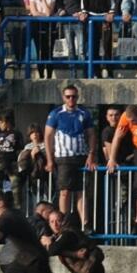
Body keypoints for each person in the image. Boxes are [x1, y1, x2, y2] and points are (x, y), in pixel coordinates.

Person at [44, 85, 96, 229]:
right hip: (63, 157)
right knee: (65, 191)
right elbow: (48, 136)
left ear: (77, 97)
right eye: (68, 96)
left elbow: (91, 134)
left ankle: (85, 223)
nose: (71, 99)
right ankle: (64, 222)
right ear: (63, 97)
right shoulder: (56, 113)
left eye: (73, 96)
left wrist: (91, 155)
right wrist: (49, 159)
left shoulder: (84, 113)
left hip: (80, 155)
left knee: (81, 191)